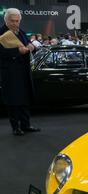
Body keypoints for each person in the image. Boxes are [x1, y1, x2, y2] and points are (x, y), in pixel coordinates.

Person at [0, 8, 40, 136]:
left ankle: (26, 124)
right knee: (13, 101)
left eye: (17, 21)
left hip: (23, 72)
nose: (15, 23)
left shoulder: (21, 31)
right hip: (10, 73)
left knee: (24, 99)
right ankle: (15, 127)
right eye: (12, 21)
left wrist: (32, 47)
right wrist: (17, 52)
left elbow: (29, 44)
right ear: (5, 20)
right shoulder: (1, 33)